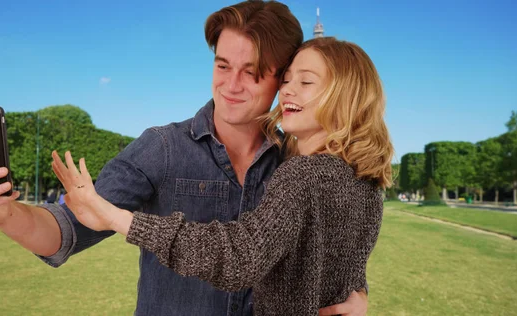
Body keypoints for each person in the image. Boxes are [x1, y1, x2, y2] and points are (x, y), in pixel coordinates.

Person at [0, 1, 367, 315]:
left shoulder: (299, 165)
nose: (231, 85)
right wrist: (3, 213)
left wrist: (357, 292)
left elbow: (336, 246)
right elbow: (67, 229)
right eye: (223, 65)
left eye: (252, 72)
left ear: (281, 79)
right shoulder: (162, 149)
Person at [51, 36, 392, 315]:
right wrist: (360, 296)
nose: (287, 90)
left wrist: (116, 217)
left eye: (306, 82)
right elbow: (348, 274)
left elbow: (239, 257)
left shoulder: (301, 175)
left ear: (346, 96)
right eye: (286, 80)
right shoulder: (366, 183)